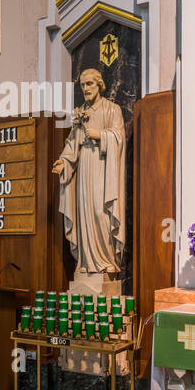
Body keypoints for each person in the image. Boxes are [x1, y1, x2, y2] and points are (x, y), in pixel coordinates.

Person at [52, 68, 126, 282]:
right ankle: (86, 263)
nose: (85, 88)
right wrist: (64, 161)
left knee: (100, 213)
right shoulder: (80, 113)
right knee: (84, 214)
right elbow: (72, 144)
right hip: (84, 168)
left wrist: (100, 135)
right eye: (82, 85)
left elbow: (119, 137)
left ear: (99, 85)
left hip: (104, 170)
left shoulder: (113, 110)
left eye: (89, 84)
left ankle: (106, 262)